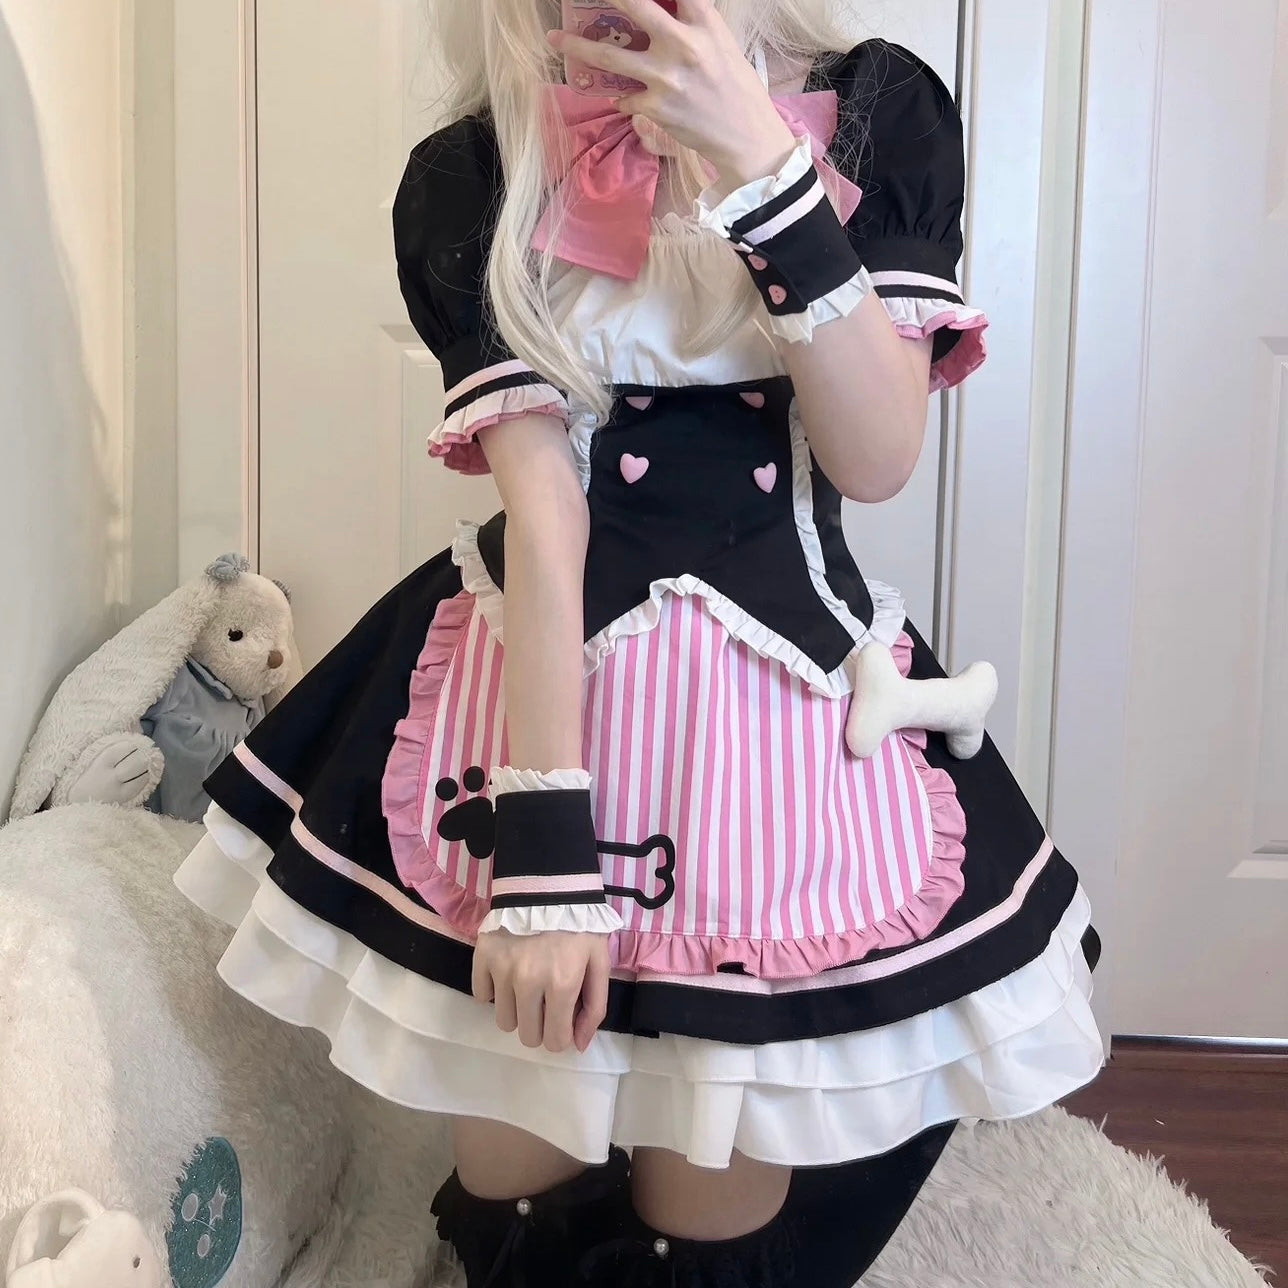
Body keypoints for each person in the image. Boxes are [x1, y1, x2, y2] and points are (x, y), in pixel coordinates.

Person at [175, 1, 1104, 1283]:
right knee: (516, 1160)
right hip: (531, 682)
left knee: (708, 1176)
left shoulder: (877, 113)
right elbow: (546, 518)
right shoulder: (473, 170)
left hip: (774, 721)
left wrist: (760, 163)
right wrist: (544, 852)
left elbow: (878, 456)